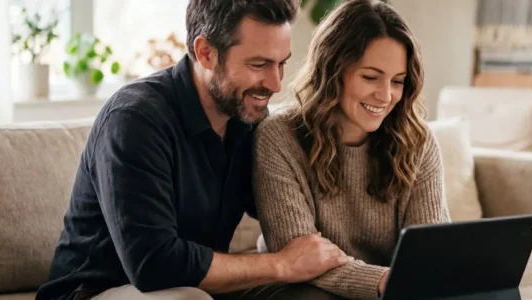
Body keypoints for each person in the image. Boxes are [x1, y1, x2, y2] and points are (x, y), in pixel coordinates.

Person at [36, 1, 352, 299]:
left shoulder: (247, 117)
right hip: (93, 291)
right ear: (205, 53)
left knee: (311, 294)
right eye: (259, 64)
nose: (275, 84)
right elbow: (154, 263)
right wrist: (282, 264)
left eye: (281, 64)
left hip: (190, 287)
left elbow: (289, 205)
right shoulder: (135, 120)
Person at [251, 1, 451, 299]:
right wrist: (384, 280)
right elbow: (297, 256)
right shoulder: (278, 137)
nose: (385, 96)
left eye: (397, 81)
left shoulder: (417, 141)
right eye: (370, 77)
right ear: (332, 70)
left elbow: (429, 252)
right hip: (302, 289)